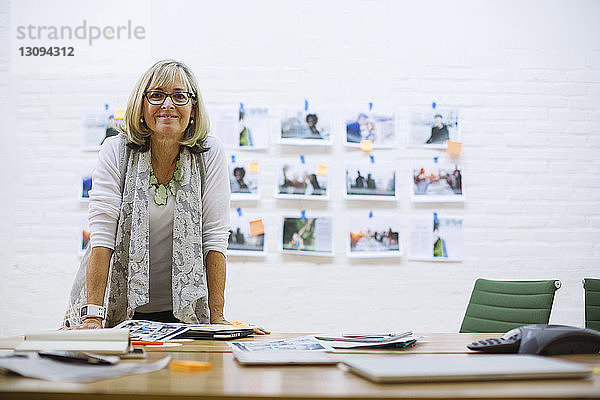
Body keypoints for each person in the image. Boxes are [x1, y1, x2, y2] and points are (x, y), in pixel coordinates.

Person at [64, 60, 268, 334]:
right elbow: (102, 237)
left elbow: (215, 236)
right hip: (112, 306)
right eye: (157, 95)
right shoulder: (116, 151)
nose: (168, 105)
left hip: (183, 310)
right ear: (141, 105)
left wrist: (217, 318)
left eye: (179, 96)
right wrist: (92, 318)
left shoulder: (209, 152)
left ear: (193, 108)